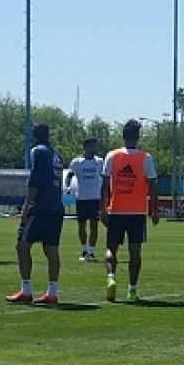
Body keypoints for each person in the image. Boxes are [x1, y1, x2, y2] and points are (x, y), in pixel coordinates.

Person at [5, 123, 65, 305]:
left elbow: (35, 179)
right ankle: (52, 292)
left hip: (40, 208)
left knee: (22, 245)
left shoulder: (37, 151)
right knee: (51, 249)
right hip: (56, 207)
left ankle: (26, 290)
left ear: (34, 135)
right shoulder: (56, 154)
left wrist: (26, 206)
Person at [101, 119, 160, 302]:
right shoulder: (145, 158)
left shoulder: (112, 156)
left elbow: (104, 185)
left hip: (116, 211)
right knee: (135, 252)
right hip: (137, 212)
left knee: (111, 249)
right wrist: (155, 210)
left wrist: (103, 208)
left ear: (123, 137)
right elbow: (153, 186)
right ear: (138, 137)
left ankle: (111, 278)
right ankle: (132, 290)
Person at [65, 137, 104, 261]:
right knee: (81, 226)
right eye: (93, 146)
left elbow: (105, 176)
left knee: (94, 225)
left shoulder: (99, 161)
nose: (96, 148)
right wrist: (68, 186)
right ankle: (84, 250)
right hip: (81, 198)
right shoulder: (77, 162)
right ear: (87, 147)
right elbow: (69, 176)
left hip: (95, 198)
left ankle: (91, 252)